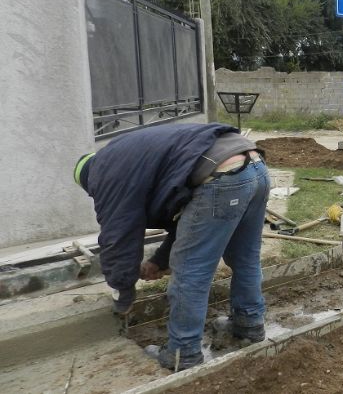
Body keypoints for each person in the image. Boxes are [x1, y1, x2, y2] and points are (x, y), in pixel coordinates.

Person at [73, 123, 270, 371]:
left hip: (220, 175)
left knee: (190, 271)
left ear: (88, 180)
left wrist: (124, 293)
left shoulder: (106, 174)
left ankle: (183, 352)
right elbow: (186, 220)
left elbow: (118, 237)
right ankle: (249, 324)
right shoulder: (129, 158)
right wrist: (159, 261)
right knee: (246, 257)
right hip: (255, 165)